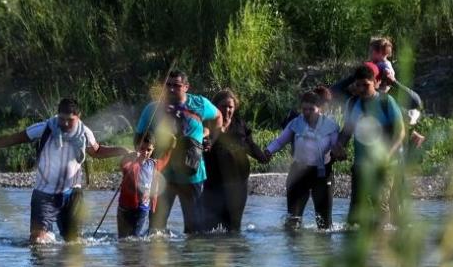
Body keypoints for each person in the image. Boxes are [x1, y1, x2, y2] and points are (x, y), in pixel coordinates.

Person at [0, 98, 127, 243]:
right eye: (61, 119)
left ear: (79, 116)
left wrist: (123, 151)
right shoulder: (46, 128)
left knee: (73, 243)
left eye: (70, 120)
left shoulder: (85, 133)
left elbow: (97, 152)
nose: (64, 123)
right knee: (37, 241)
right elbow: (16, 138)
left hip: (72, 194)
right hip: (44, 194)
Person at [135, 70, 223, 234]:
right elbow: (138, 137)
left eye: (176, 85)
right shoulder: (153, 109)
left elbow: (218, 116)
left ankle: (188, 259)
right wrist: (141, 157)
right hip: (162, 175)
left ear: (186, 87)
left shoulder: (200, 104)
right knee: (155, 229)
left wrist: (211, 138)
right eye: (168, 85)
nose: (171, 89)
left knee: (194, 230)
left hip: (192, 175)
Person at [332, 63, 405, 227]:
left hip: (385, 166)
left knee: (380, 207)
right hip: (360, 166)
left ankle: (383, 244)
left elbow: (400, 133)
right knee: (354, 216)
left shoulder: (386, 102)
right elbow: (346, 132)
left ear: (375, 83)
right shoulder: (352, 104)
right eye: (358, 85)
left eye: (366, 85)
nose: (362, 89)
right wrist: (338, 146)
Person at [265, 89, 340, 230]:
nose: (307, 113)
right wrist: (268, 151)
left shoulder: (330, 126)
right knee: (293, 221)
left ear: (320, 109)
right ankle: (294, 249)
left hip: (322, 174)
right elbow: (280, 141)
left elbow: (336, 146)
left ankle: (323, 249)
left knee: (324, 225)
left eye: (311, 109)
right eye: (304, 109)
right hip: (298, 173)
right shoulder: (295, 123)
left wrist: (339, 153)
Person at [200, 89, 269, 232]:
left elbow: (249, 144)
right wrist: (204, 142)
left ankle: (235, 252)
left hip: (238, 183)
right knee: (208, 226)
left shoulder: (239, 124)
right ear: (215, 107)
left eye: (230, 107)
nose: (227, 110)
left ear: (235, 107)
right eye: (223, 106)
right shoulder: (208, 125)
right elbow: (201, 139)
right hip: (213, 183)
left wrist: (263, 157)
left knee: (233, 226)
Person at [116, 133, 157, 239]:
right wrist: (130, 157)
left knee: (135, 237)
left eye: (149, 150)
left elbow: (154, 185)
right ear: (136, 148)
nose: (145, 152)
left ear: (153, 150)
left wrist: (153, 203)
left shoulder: (152, 164)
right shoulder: (130, 161)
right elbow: (122, 165)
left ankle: (136, 254)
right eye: (142, 148)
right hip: (125, 207)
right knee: (123, 238)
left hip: (142, 208)